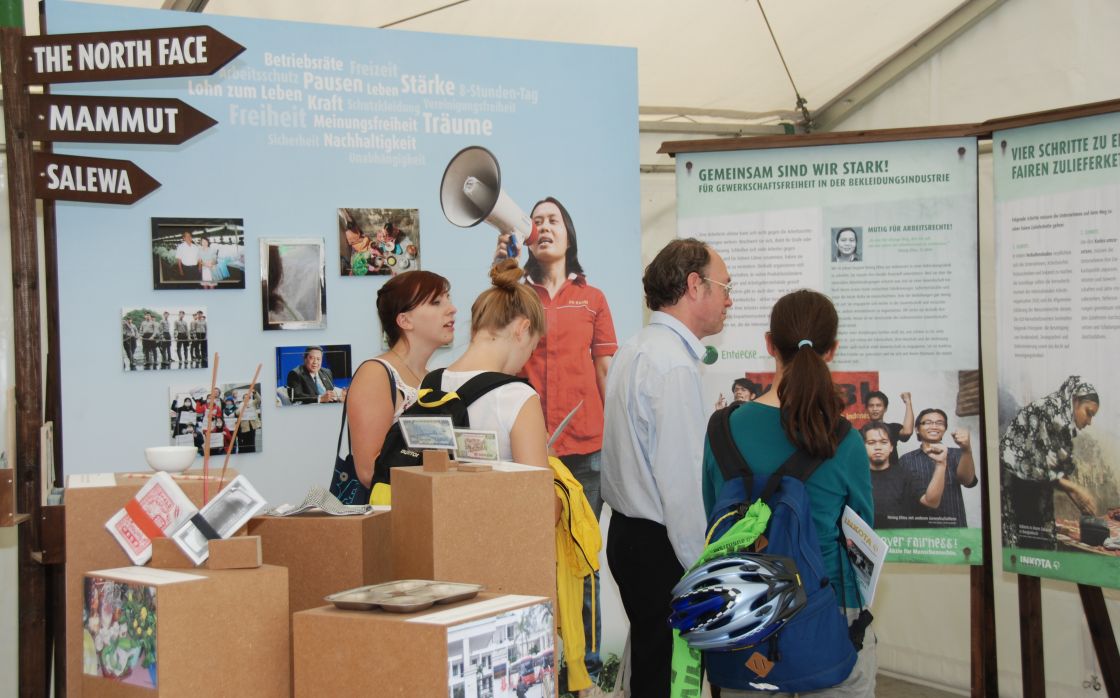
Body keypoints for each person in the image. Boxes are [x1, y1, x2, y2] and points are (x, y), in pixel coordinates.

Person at [700, 289, 876, 697]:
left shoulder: (721, 431)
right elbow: (861, 535)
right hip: (828, 616)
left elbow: (715, 517)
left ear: (768, 345)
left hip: (745, 615)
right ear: (831, 351)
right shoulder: (843, 441)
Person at [601, 237, 732, 698]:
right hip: (664, 548)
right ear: (695, 286)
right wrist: (706, 571)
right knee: (675, 680)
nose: (729, 300)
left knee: (654, 671)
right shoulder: (672, 365)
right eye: (724, 286)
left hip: (631, 536)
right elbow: (683, 487)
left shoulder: (637, 348)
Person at [495, 196, 617, 518]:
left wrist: (616, 436)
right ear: (528, 237)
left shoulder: (593, 298)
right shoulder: (517, 296)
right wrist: (500, 275)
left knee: (583, 544)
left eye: (553, 220)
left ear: (568, 235)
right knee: (537, 543)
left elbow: (605, 370)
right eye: (536, 222)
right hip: (529, 442)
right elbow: (495, 350)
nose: (544, 227)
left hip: (588, 447)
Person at [346, 270, 457, 490]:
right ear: (405, 320)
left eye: (448, 299)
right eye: (436, 302)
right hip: (394, 515)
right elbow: (370, 471)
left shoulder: (434, 378)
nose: (452, 309)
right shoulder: (376, 374)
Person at [442, 259, 548, 467]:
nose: (526, 359)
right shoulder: (515, 396)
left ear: (475, 327)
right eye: (532, 347)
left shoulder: (427, 385)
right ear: (523, 329)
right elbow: (538, 497)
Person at [1000, 376, 1100, 550]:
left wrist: (1078, 501)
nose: (1089, 421)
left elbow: (1056, 468)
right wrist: (1077, 489)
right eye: (1088, 413)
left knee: (1042, 540)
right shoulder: (1048, 411)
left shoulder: (1063, 423)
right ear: (1075, 401)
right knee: (1021, 539)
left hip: (1037, 485)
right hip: (1017, 483)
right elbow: (1036, 465)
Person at [898, 408, 977, 527]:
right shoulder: (906, 459)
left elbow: (967, 481)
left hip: (954, 528)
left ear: (945, 429)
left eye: (939, 423)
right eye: (928, 422)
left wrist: (966, 449)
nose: (934, 426)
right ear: (917, 429)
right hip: (919, 531)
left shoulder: (957, 454)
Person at [862, 420, 920, 529]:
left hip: (898, 541)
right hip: (864, 541)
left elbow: (912, 516)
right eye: (871, 442)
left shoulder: (905, 477)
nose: (878, 447)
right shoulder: (854, 478)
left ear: (891, 447)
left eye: (883, 442)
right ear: (862, 447)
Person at [864, 390, 914, 467]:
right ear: (866, 409)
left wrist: (908, 402)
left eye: (878, 405)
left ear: (885, 408)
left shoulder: (893, 428)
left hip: (893, 475)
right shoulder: (861, 432)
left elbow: (907, 432)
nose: (874, 409)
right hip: (869, 475)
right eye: (871, 406)